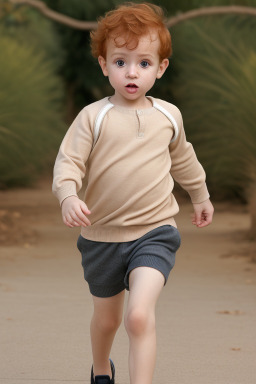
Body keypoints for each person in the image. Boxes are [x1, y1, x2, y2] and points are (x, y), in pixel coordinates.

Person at [52, 3, 214, 384]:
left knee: (138, 316)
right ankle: (101, 369)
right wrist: (69, 195)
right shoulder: (93, 117)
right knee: (107, 320)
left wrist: (201, 195)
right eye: (121, 61)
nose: (132, 72)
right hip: (101, 237)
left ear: (160, 68)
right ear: (104, 65)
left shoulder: (169, 116)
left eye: (144, 63)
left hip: (155, 232)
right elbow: (67, 163)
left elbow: (184, 159)